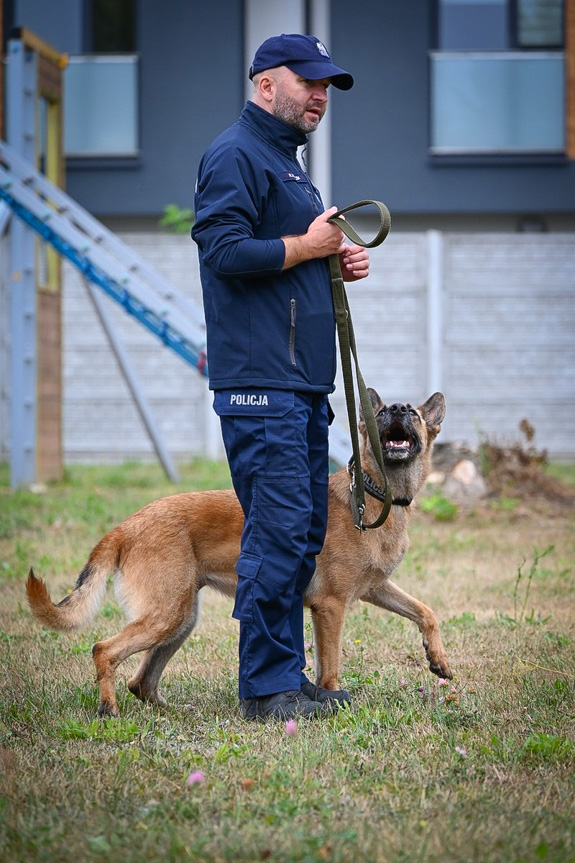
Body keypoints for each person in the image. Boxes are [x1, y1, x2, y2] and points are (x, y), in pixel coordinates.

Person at [191, 34, 370, 721]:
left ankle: (284, 678)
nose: (320, 95)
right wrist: (308, 244)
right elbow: (224, 248)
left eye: (328, 86)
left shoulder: (285, 163)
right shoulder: (235, 153)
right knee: (277, 530)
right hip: (260, 383)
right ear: (267, 84)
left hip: (298, 383)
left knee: (299, 533)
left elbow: (288, 255)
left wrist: (334, 260)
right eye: (309, 82)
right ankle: (266, 690)